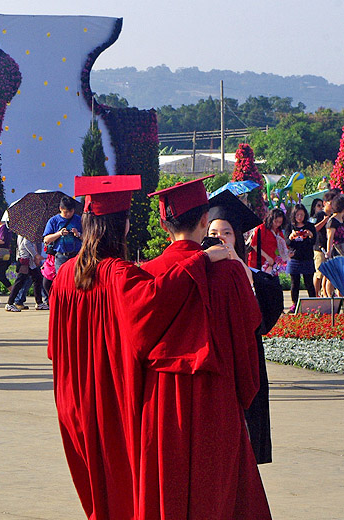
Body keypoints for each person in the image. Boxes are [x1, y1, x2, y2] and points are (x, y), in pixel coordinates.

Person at [48, 175, 239, 519]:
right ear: (121, 227)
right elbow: (153, 304)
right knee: (121, 491)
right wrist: (200, 260)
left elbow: (54, 348)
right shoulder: (120, 274)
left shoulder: (63, 277)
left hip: (72, 396)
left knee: (96, 490)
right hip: (110, 396)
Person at [142, 177, 271, 518]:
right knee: (217, 493)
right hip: (217, 394)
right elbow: (248, 333)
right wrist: (243, 391)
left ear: (162, 223)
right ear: (205, 221)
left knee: (167, 489)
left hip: (163, 399)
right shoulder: (228, 272)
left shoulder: (147, 275)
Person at [208, 190, 284, 465]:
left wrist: (241, 270)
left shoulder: (259, 280)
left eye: (226, 233)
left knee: (246, 441)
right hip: (214, 364)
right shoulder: (198, 275)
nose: (219, 238)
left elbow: (264, 323)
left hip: (247, 362)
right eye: (213, 232)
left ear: (238, 238)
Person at [286, 203, 317, 311]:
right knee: (295, 282)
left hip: (307, 258)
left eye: (302, 215)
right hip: (295, 258)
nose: (300, 217)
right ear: (294, 215)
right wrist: (291, 237)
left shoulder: (310, 226)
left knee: (309, 282)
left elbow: (313, 242)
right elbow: (288, 242)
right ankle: (294, 304)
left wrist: (310, 235)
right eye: (297, 215)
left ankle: (314, 303)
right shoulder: (290, 226)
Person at [5, 231, 46, 312]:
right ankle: (9, 303)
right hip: (25, 260)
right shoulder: (28, 231)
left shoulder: (23, 230)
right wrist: (36, 255)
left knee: (37, 279)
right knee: (19, 282)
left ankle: (39, 302)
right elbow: (26, 243)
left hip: (27, 261)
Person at [43, 196, 82, 274]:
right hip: (61, 256)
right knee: (61, 280)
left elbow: (87, 238)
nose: (68, 214)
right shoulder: (53, 221)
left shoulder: (78, 219)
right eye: (66, 212)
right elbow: (46, 239)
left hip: (76, 255)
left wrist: (78, 234)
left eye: (71, 212)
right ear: (60, 208)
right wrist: (59, 233)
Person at [248, 208, 288, 273]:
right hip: (257, 263)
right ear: (271, 219)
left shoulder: (278, 232)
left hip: (270, 265)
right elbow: (254, 245)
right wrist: (267, 257)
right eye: (276, 221)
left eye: (280, 222)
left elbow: (282, 247)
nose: (277, 224)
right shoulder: (262, 228)